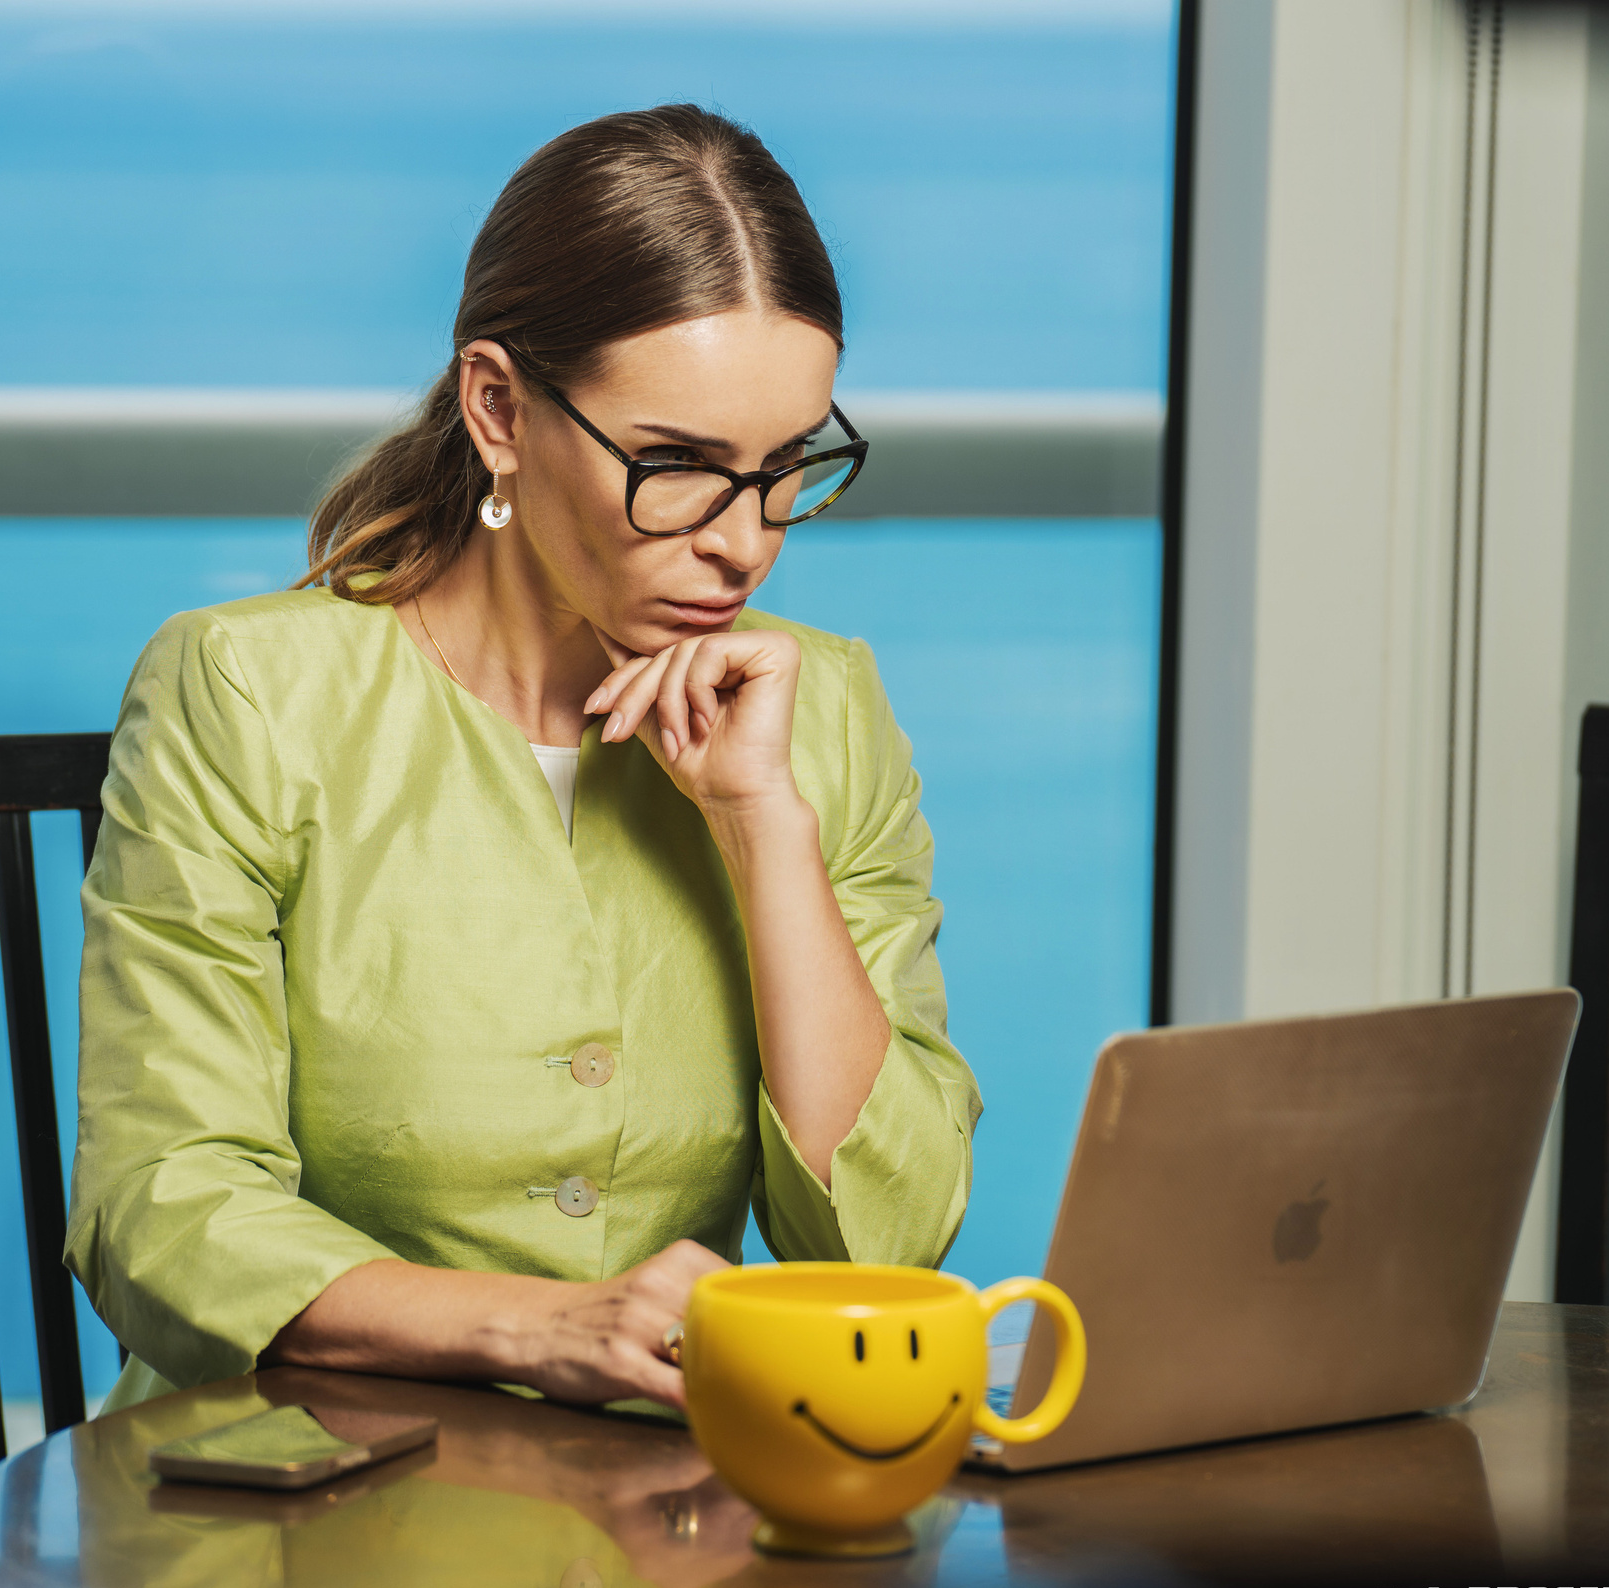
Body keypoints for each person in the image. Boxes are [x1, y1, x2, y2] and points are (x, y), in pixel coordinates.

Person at [70, 104, 980, 1415]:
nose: (746, 543)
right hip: (292, 1505)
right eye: (674, 467)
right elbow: (162, 1210)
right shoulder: (249, 690)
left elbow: (882, 1247)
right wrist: (547, 1328)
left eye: (785, 469)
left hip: (665, 1519)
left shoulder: (818, 707)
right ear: (498, 408)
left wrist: (762, 822)